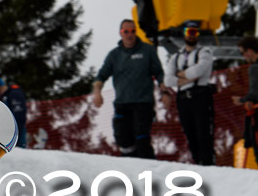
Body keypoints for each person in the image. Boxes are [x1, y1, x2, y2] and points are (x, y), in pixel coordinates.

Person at [92, 19, 171, 159]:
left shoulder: (148, 50)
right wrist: (97, 92)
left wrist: (165, 92)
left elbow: (159, 73)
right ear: (120, 33)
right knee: (124, 140)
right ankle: (130, 173)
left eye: (133, 31)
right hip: (122, 103)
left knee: (141, 138)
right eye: (126, 31)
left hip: (143, 103)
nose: (129, 35)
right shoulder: (114, 55)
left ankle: (150, 171)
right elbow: (101, 76)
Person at [163, 20, 216, 165]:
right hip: (183, 100)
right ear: (184, 33)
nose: (192, 35)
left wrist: (179, 75)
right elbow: (168, 80)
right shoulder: (176, 57)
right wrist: (187, 78)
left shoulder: (204, 52)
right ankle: (197, 162)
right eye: (189, 32)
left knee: (203, 133)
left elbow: (199, 70)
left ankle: (208, 164)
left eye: (195, 32)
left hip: (200, 97)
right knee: (190, 134)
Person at [234, 36, 258, 165]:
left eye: (242, 52)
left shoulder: (254, 68)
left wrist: (242, 100)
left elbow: (255, 93)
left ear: (249, 51)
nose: (243, 56)